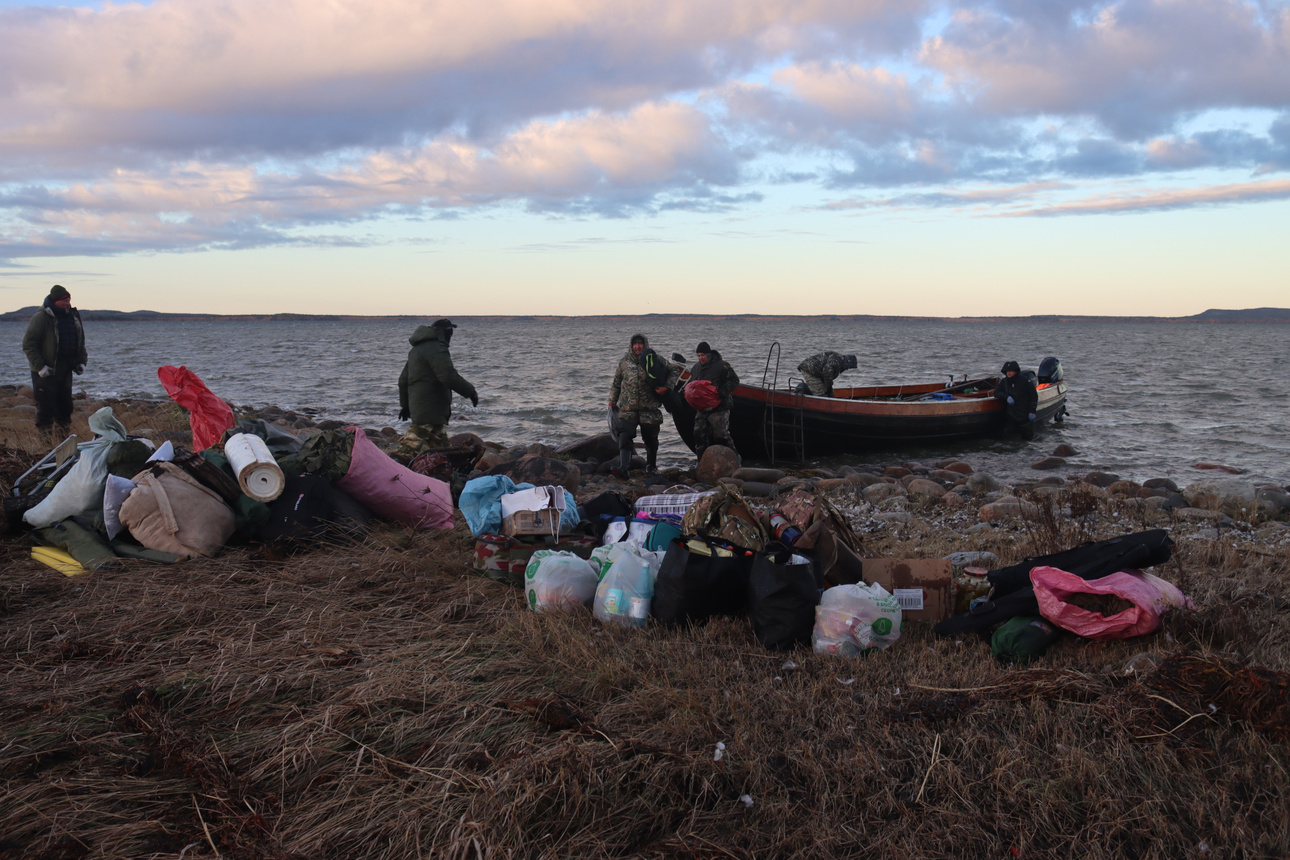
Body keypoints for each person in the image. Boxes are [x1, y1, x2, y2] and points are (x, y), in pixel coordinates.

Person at [394, 318, 478, 462]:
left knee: (443, 450)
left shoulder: (416, 350)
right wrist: (470, 391)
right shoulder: (436, 349)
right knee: (408, 448)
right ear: (444, 333)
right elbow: (448, 376)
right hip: (429, 407)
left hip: (427, 410)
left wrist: (405, 406)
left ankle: (448, 475)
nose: (451, 337)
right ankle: (392, 473)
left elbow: (403, 380)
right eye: (450, 333)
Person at [22, 285, 87, 436]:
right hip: (46, 371)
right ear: (55, 301)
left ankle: (63, 441)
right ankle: (46, 445)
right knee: (46, 408)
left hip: (66, 370)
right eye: (64, 300)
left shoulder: (73, 316)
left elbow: (80, 342)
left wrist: (81, 361)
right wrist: (40, 367)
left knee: (65, 407)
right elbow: (28, 344)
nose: (68, 303)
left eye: (69, 300)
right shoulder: (41, 318)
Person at [609, 333, 672, 476]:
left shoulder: (654, 359)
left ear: (645, 344)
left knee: (651, 439)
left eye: (640, 343)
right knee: (624, 437)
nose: (638, 347)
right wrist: (612, 400)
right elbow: (616, 383)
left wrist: (667, 387)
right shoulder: (624, 363)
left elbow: (673, 370)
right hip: (628, 409)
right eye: (635, 344)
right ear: (631, 346)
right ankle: (624, 468)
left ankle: (651, 467)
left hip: (648, 409)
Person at [687, 341, 739, 460]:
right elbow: (691, 384)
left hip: (720, 406)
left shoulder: (723, 366)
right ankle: (701, 460)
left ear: (709, 355)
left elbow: (734, 380)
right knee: (698, 433)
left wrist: (723, 391)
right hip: (702, 408)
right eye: (698, 355)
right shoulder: (695, 368)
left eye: (703, 355)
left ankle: (734, 458)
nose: (700, 358)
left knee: (721, 434)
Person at [994, 360, 1038, 439]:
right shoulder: (1004, 382)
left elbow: (1033, 396)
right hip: (1011, 415)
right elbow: (997, 392)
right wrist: (1006, 396)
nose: (1009, 373)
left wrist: (1032, 411)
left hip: (1025, 415)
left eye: (1011, 371)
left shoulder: (1025, 381)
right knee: (1010, 438)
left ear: (1016, 371)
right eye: (1007, 371)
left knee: (1027, 438)